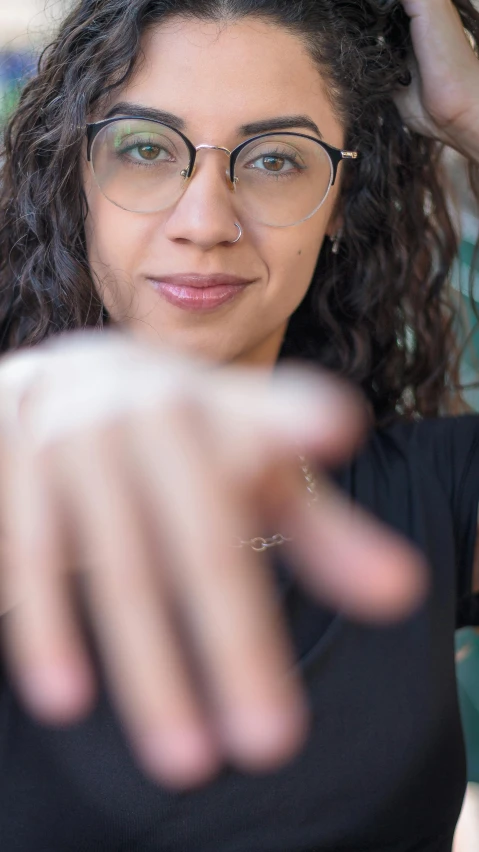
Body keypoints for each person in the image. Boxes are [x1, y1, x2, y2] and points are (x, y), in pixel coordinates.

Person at [0, 0, 478, 849]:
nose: (205, 223)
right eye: (145, 149)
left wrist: (470, 118)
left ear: (338, 204)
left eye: (276, 161)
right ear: (78, 176)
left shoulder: (430, 491)